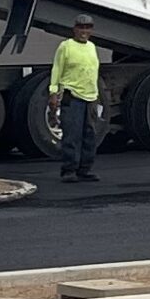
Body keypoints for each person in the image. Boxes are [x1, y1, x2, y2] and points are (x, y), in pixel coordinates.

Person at [49, 14, 103, 182]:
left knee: (89, 135)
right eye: (81, 27)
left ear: (91, 30)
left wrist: (97, 96)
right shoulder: (66, 46)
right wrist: (53, 92)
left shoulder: (92, 47)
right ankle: (69, 170)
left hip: (91, 97)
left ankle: (85, 169)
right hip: (72, 95)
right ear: (74, 29)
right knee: (72, 134)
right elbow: (57, 69)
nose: (84, 31)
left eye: (87, 27)